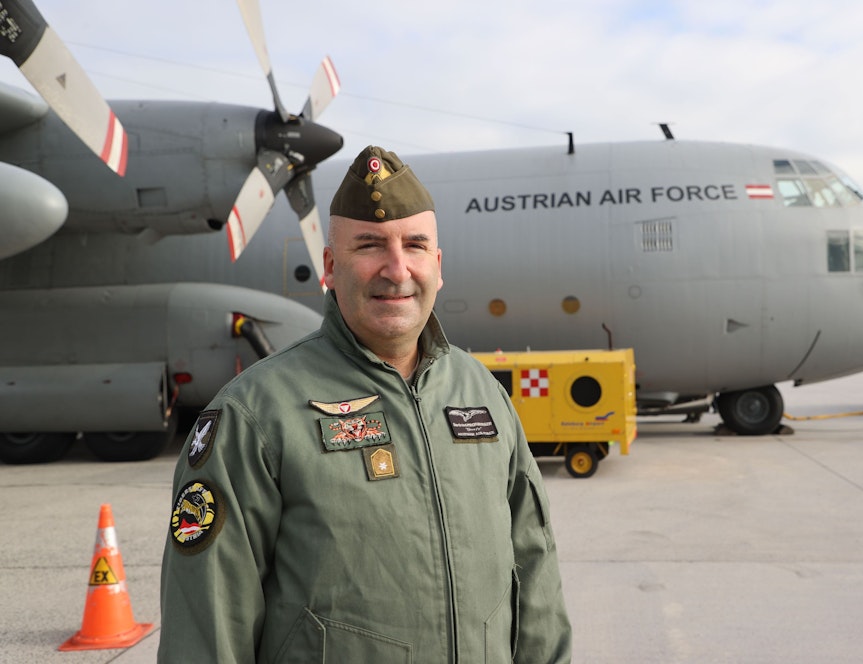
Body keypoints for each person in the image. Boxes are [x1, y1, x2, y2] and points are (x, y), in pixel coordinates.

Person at [159, 146, 572, 662]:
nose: (397, 269)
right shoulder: (256, 414)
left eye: (415, 245)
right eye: (371, 245)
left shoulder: (481, 393)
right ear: (331, 265)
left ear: (437, 266)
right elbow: (207, 625)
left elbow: (534, 568)